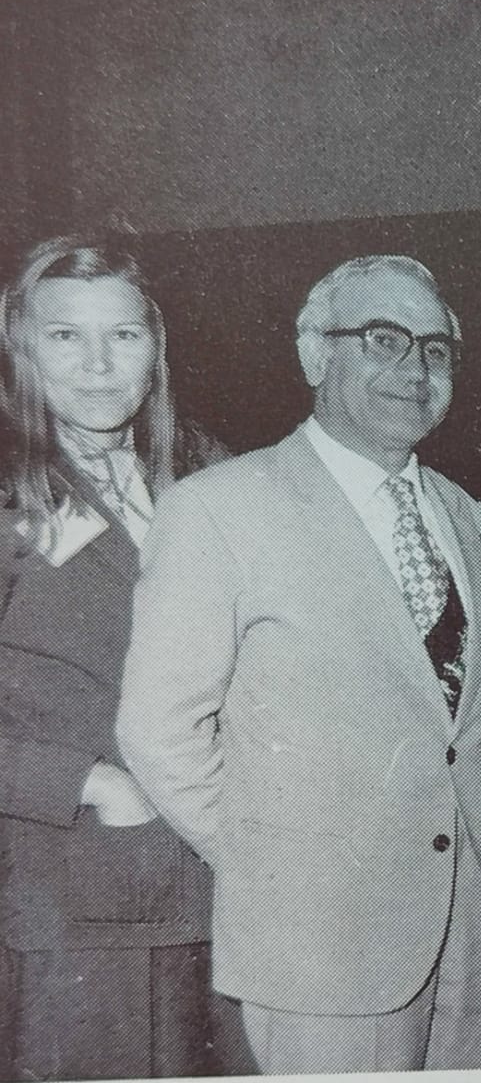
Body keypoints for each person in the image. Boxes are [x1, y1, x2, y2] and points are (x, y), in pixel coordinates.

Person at [116, 255, 481, 1074]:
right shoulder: (219, 509)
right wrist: (277, 866)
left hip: (477, 927)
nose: (415, 369)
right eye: (384, 339)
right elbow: (158, 732)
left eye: (436, 349)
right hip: (324, 942)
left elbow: (460, 728)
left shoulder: (464, 513)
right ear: (315, 355)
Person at [0, 236, 245, 1080]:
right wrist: (85, 783)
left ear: (157, 349)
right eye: (66, 336)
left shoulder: (210, 477)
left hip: (230, 889)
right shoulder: (7, 492)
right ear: (21, 347)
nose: (99, 366)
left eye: (125, 335)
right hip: (79, 906)